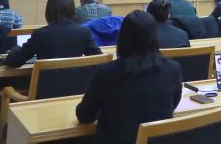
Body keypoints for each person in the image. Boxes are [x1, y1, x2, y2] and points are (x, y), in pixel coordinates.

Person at [76, 11, 183, 144]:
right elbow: (173, 104)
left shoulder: (107, 72)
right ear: (155, 37)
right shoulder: (173, 68)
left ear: (123, 37)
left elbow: (85, 115)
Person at [6, 0, 101, 67]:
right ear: (72, 10)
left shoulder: (40, 34)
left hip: (46, 86)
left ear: (49, 11)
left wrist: (15, 49)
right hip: (78, 85)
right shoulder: (84, 33)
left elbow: (15, 62)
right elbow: (99, 59)